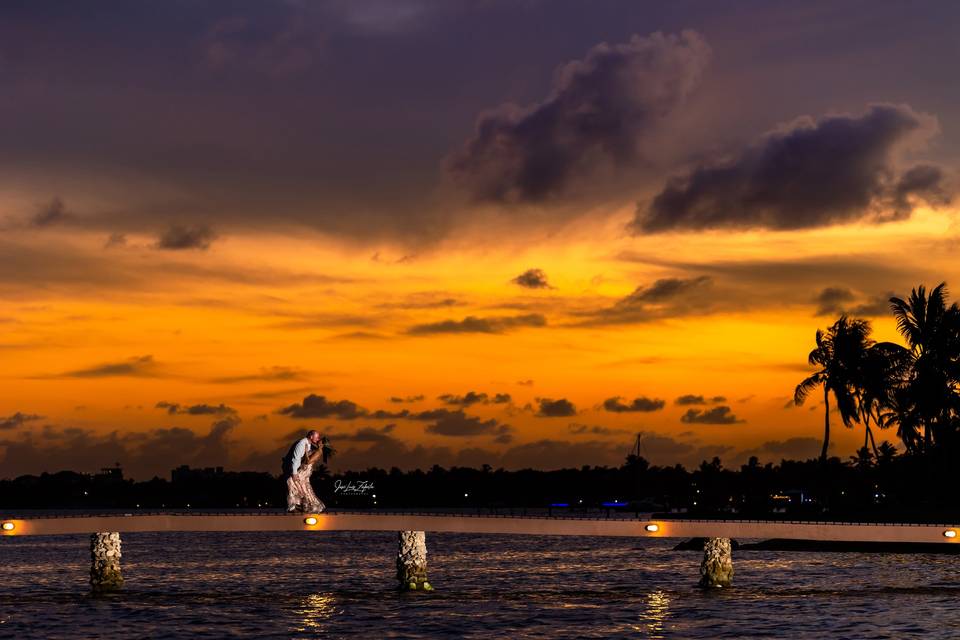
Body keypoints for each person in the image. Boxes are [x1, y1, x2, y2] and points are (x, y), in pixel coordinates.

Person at [282, 430, 325, 513]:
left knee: (298, 485)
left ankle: (303, 505)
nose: (318, 440)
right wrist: (294, 472)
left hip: (305, 469)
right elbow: (296, 458)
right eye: (317, 438)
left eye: (319, 440)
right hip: (296, 468)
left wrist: (306, 453)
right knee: (295, 484)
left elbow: (308, 461)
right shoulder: (303, 444)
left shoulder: (316, 450)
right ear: (311, 436)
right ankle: (297, 505)